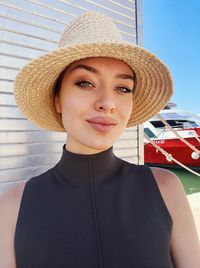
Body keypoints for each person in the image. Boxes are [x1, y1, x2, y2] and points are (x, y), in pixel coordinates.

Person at [0, 11, 199, 268]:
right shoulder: (11, 207)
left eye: (123, 88)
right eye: (85, 83)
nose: (107, 103)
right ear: (57, 99)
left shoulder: (166, 188)